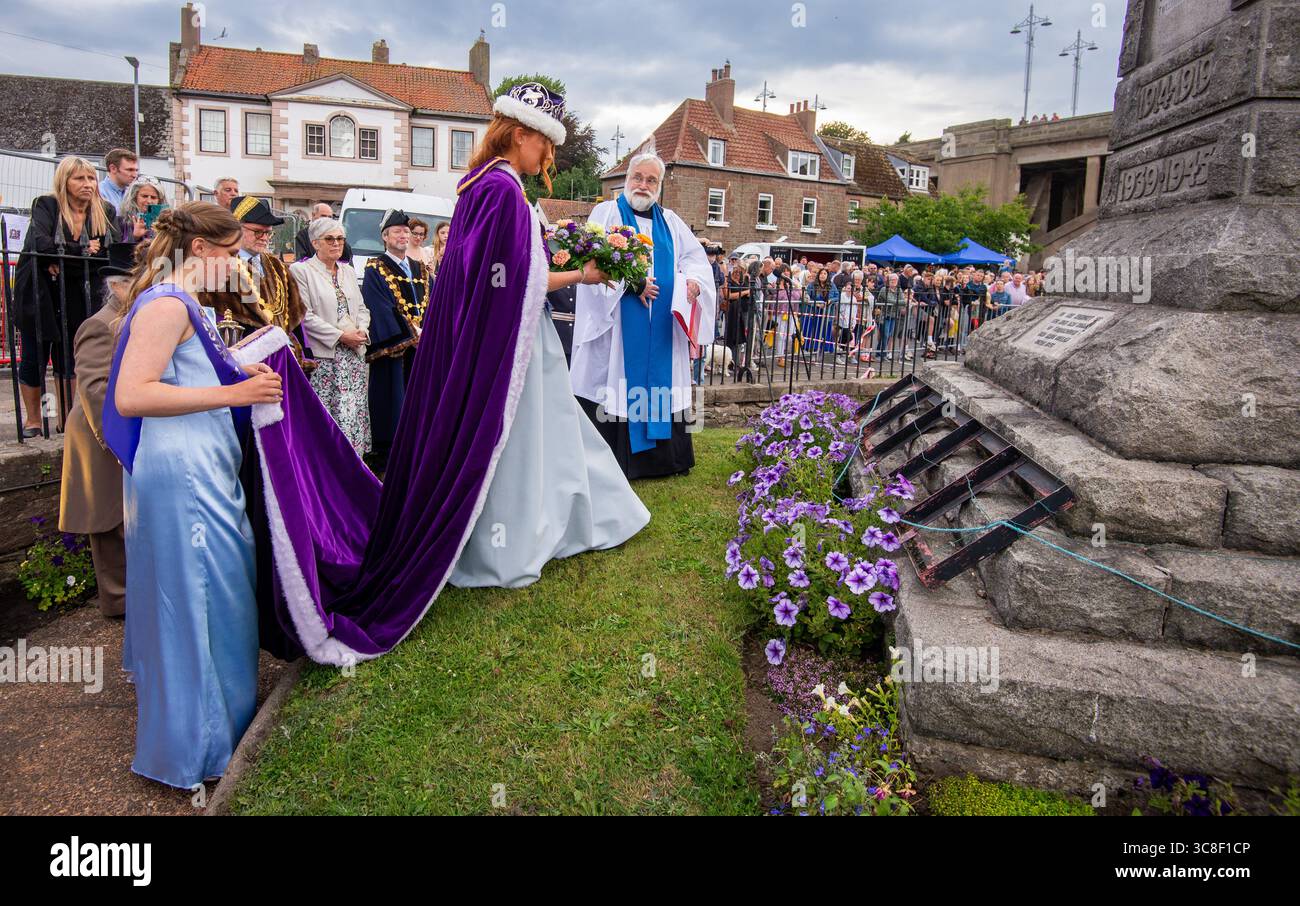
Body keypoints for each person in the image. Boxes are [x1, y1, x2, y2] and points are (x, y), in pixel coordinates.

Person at [237, 82, 650, 665]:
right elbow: (511, 285)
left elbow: (489, 279)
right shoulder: (502, 191)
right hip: (513, 350)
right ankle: (506, 543)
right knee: (521, 440)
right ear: (523, 134)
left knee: (550, 435)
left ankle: (562, 520)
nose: (547, 160)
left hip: (508, 342)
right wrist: (581, 277)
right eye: (545, 147)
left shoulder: (477, 188)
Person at [102, 201, 283, 789]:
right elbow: (132, 396)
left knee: (219, 596)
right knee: (203, 598)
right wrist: (235, 397)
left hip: (202, 465)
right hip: (182, 473)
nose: (237, 265)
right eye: (231, 253)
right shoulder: (165, 304)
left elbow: (193, 373)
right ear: (201, 249)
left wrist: (244, 373)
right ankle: (203, 748)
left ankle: (223, 727)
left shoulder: (185, 303)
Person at [571, 151, 717, 479]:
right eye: (638, 177)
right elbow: (592, 260)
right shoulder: (606, 212)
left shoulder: (671, 222)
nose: (643, 185)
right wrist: (631, 283)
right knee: (619, 381)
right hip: (620, 325)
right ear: (627, 178)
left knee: (662, 384)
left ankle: (663, 460)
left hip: (662, 324)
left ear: (660, 185)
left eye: (652, 180)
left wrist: (692, 282)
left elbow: (696, 258)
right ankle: (617, 460)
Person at [13, 156, 118, 435]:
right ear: (64, 181)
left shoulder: (103, 210)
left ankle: (67, 420)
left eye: (91, 178)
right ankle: (34, 421)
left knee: (70, 357)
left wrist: (62, 257)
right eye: (79, 178)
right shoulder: (46, 205)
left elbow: (107, 254)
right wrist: (81, 251)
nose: (87, 184)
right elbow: (40, 243)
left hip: (78, 290)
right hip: (40, 290)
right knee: (35, 355)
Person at [58, 263, 133, 618]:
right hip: (98, 435)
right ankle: (117, 603)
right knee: (108, 521)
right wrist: (117, 440)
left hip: (120, 429)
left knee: (125, 519)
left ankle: (131, 599)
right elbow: (94, 390)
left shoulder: (132, 319)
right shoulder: (100, 325)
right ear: (117, 286)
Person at [197, 196, 313, 372]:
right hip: (245, 358)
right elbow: (216, 319)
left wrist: (303, 353)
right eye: (258, 231)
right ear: (237, 229)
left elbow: (295, 314)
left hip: (284, 357)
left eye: (268, 232)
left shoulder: (277, 266)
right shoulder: (220, 266)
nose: (264, 237)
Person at [292, 218, 371, 456]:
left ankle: (354, 465)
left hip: (354, 356)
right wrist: (341, 336)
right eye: (330, 239)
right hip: (326, 357)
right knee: (330, 416)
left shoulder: (347, 271)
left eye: (340, 239)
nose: (336, 244)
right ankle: (329, 468)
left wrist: (362, 331)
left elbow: (362, 309)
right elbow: (305, 315)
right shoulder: (301, 271)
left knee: (353, 414)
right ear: (315, 243)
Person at [359, 209, 425, 473]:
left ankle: (417, 447)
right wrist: (411, 333)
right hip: (394, 348)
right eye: (397, 231)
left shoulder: (420, 268)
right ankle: (389, 455)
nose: (403, 235)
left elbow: (430, 303)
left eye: (406, 231)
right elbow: (380, 306)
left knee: (418, 398)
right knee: (392, 399)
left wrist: (428, 329)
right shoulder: (376, 267)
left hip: (421, 346)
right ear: (385, 237)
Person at [115, 177, 165, 267]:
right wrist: (134, 237)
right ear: (135, 197)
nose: (149, 201)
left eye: (153, 197)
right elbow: (118, 255)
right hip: (129, 270)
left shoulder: (164, 223)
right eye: (144, 196)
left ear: (159, 201)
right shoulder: (121, 221)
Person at [98, 149, 138, 213]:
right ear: (113, 168)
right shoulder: (99, 193)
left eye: (136, 170)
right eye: (130, 170)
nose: (135, 175)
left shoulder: (133, 193)